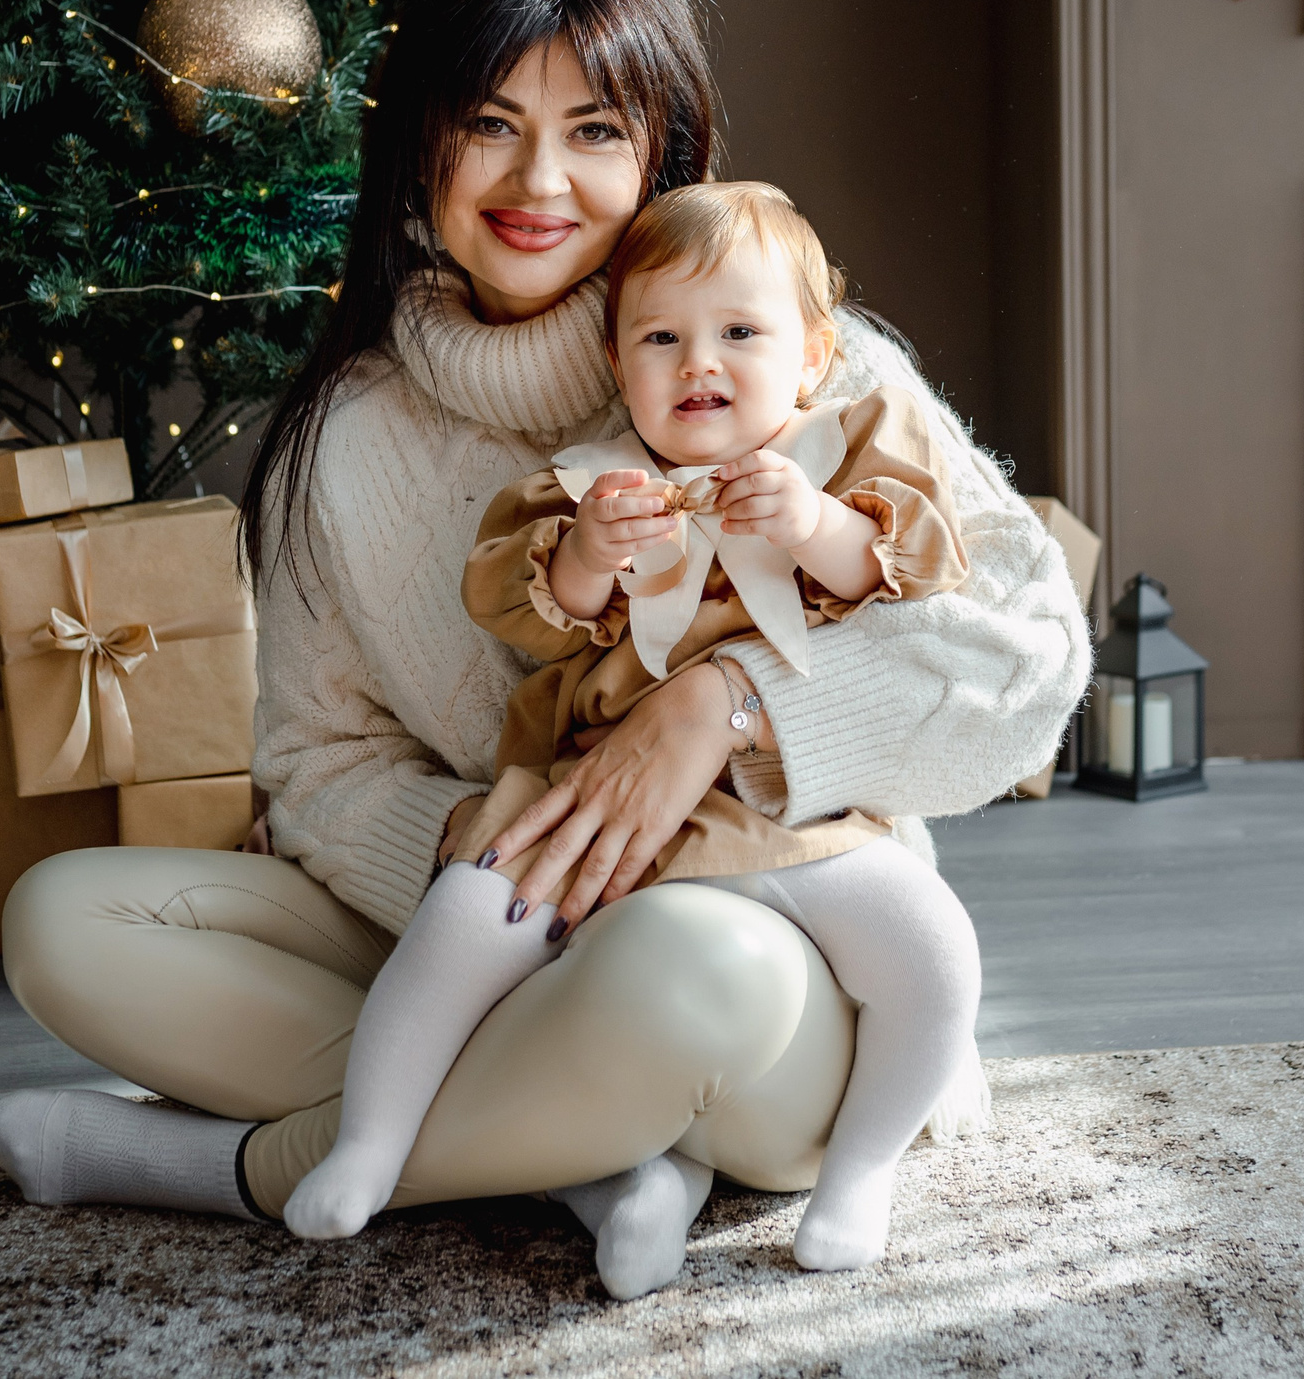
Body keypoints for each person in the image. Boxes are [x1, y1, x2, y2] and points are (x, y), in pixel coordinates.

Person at [0, 0, 1090, 1301]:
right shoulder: (344, 438)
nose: (539, 180)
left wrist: (728, 705)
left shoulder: (800, 361)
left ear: (661, 150)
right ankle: (593, 1154)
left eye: (596, 132)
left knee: (686, 966)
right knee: (66, 919)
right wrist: (511, 848)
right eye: (491, 125)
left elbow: (1032, 658)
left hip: (776, 946)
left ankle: (226, 1166)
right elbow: (317, 767)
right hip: (497, 922)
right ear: (421, 143)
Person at [282, 182, 986, 1276]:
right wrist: (587, 554)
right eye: (661, 338)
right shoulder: (593, 483)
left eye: (740, 333)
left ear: (811, 356)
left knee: (930, 946)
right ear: (619, 365)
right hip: (605, 808)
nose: (699, 362)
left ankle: (861, 1172)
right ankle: (375, 1145)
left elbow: (913, 572)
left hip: (783, 809)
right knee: (464, 918)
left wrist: (815, 525)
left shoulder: (845, 449)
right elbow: (523, 610)